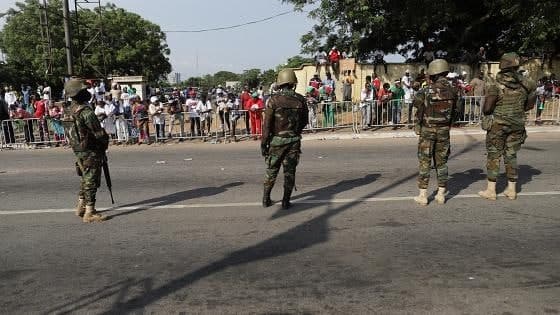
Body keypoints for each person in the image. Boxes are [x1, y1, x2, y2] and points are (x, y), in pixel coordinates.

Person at [478, 53, 536, 201]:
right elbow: (529, 105)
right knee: (511, 155)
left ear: (503, 65)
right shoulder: (526, 84)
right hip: (517, 124)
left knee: (494, 155)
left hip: (498, 125)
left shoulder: (495, 84)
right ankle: (511, 190)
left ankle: (491, 191)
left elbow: (487, 109)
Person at [61, 78, 109, 222]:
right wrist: (104, 144)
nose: (87, 92)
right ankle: (90, 212)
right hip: (91, 149)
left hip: (78, 149)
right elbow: (98, 133)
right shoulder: (85, 111)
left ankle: (81, 206)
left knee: (85, 177)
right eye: (84, 90)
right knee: (91, 180)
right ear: (79, 93)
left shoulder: (69, 110)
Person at [261, 69, 308, 209]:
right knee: (290, 172)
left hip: (276, 142)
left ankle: (266, 199)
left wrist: (264, 144)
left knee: (271, 170)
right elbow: (304, 121)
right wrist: (295, 132)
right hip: (293, 141)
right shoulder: (300, 100)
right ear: (293, 83)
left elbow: (267, 126)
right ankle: (286, 202)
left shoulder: (273, 100)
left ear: (280, 83)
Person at [413, 59, 457, 205]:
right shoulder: (453, 90)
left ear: (433, 73)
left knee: (425, 162)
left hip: (427, 130)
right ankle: (441, 194)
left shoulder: (426, 91)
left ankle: (423, 195)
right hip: (444, 130)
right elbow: (456, 112)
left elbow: (416, 104)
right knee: (442, 163)